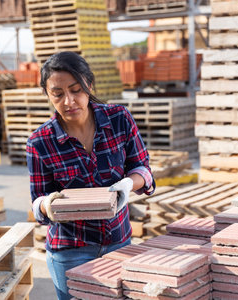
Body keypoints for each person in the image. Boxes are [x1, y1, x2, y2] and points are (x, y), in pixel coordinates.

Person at [26, 51, 155, 300]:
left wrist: (128, 184)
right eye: (58, 94)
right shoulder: (39, 142)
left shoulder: (119, 119)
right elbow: (37, 201)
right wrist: (47, 205)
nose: (69, 101)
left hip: (118, 242)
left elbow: (143, 170)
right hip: (69, 251)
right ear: (47, 94)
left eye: (76, 90)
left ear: (89, 85)